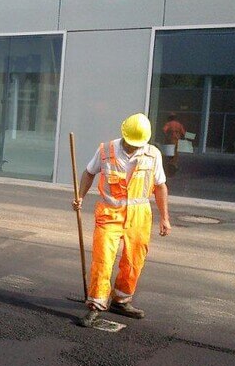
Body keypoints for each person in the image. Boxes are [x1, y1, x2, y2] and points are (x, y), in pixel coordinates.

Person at [72, 113, 172, 327]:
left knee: (134, 260)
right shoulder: (106, 150)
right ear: (123, 135)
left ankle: (121, 300)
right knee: (103, 260)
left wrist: (165, 218)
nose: (132, 147)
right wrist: (80, 196)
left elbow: (160, 186)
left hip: (139, 216)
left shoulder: (153, 155)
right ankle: (96, 305)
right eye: (129, 143)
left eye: (137, 144)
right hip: (109, 213)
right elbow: (89, 173)